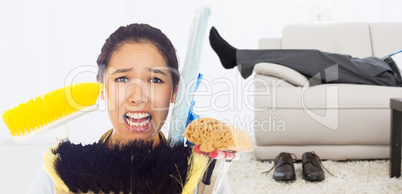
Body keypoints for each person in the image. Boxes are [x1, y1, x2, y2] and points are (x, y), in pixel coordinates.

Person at [28, 23, 231, 194]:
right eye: (122, 79)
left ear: (175, 92)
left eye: (155, 80)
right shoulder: (57, 175)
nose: (137, 97)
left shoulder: (204, 177)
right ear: (101, 87)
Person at [209, 26, 402, 87]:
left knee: (317, 59)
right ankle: (237, 57)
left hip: (388, 74)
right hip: (380, 64)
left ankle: (235, 57)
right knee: (320, 67)